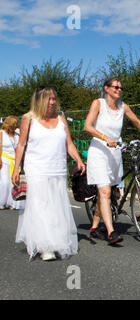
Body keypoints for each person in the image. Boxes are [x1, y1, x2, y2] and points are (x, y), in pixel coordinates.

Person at [13, 86, 85, 261]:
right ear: (39, 100)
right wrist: (15, 168)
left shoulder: (61, 119)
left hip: (57, 169)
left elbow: (68, 143)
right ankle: (45, 246)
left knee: (55, 207)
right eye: (48, 99)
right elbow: (21, 145)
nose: (52, 102)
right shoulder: (29, 120)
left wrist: (78, 159)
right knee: (40, 206)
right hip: (36, 169)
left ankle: (57, 241)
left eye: (54, 98)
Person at [84, 77, 140, 245]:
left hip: (115, 153)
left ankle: (95, 227)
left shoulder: (122, 107)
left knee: (105, 192)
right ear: (106, 88)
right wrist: (105, 138)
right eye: (115, 87)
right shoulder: (98, 104)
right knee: (105, 192)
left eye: (120, 87)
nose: (118, 89)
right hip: (99, 152)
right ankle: (111, 232)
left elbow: (137, 121)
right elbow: (88, 126)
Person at [0, 116, 24, 210]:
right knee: (4, 182)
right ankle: (2, 201)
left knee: (13, 182)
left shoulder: (17, 134)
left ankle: (12, 202)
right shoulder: (1, 133)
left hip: (15, 161)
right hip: (4, 160)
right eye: (14, 124)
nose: (16, 126)